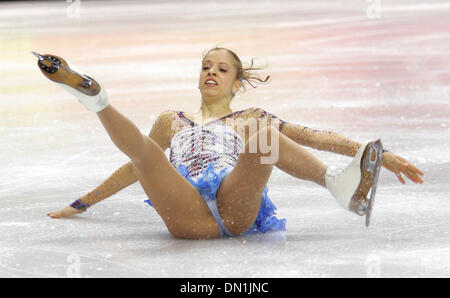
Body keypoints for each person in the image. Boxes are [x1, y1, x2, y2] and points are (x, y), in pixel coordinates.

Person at [35, 47, 424, 239]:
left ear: (236, 83)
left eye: (221, 69)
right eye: (205, 66)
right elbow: (133, 168)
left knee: (266, 135)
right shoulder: (172, 121)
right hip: (186, 211)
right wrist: (82, 202)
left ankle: (339, 185)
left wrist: (381, 156)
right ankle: (96, 99)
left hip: (237, 206)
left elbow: (314, 136)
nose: (210, 72)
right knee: (145, 152)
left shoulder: (250, 118)